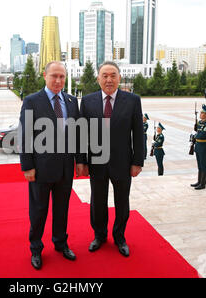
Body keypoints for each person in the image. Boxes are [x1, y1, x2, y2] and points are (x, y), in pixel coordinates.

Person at [19, 61, 86, 270]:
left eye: (62, 77)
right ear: (45, 76)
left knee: (62, 209)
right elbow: (25, 134)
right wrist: (27, 166)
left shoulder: (71, 101)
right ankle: (36, 249)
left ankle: (60, 243)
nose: (58, 80)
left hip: (66, 168)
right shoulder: (32, 101)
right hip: (41, 169)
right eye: (54, 76)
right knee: (39, 210)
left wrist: (81, 160)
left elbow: (79, 134)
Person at [80, 61, 144, 258]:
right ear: (98, 78)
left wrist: (137, 161)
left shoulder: (132, 100)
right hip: (96, 162)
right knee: (97, 201)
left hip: (123, 162)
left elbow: (138, 133)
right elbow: (82, 133)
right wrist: (82, 161)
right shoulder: (88, 101)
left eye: (113, 75)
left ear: (119, 78)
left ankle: (119, 237)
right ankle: (99, 236)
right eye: (105, 75)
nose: (109, 79)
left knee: (122, 202)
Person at [191, 105, 206, 190]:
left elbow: (202, 135)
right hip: (198, 145)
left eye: (203, 113)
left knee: (203, 165)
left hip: (204, 146)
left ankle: (203, 184)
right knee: (199, 165)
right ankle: (199, 181)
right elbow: (196, 131)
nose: (201, 114)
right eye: (201, 112)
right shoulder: (200, 122)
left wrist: (195, 135)